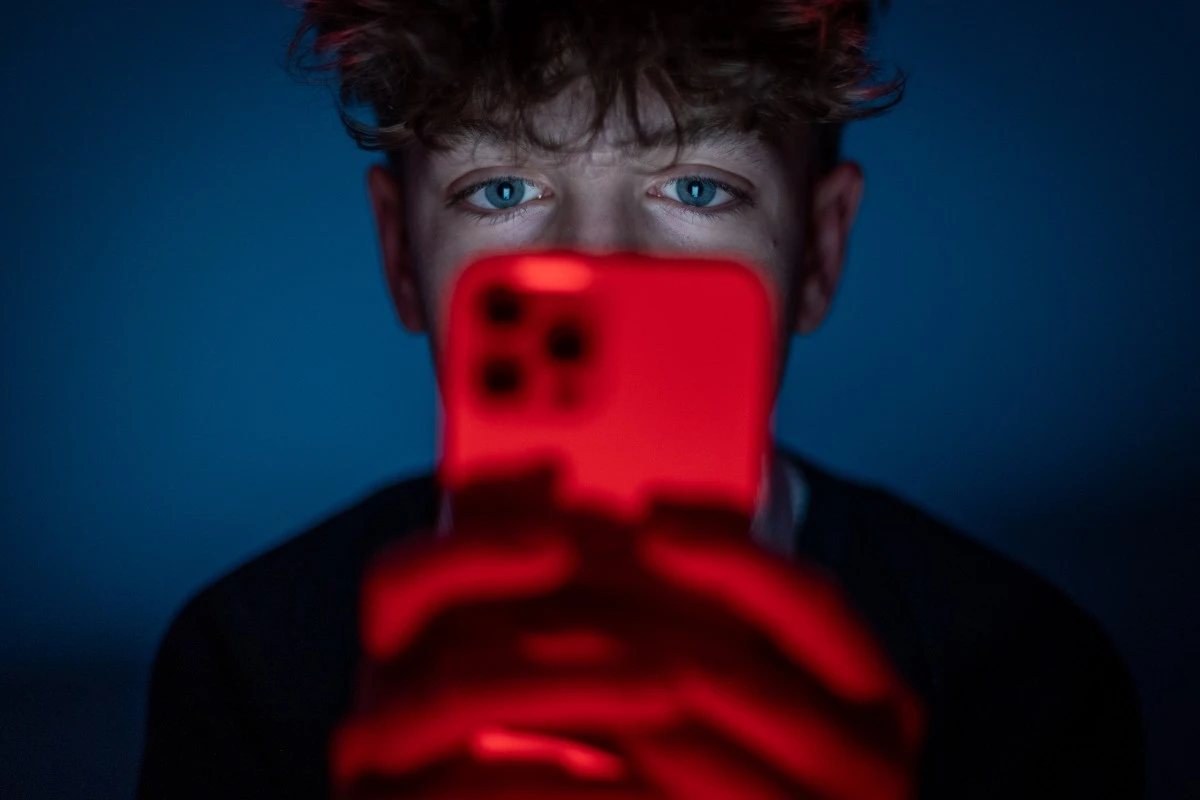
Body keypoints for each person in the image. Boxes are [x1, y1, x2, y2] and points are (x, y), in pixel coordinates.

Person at [135, 0, 1145, 798]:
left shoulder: (1023, 674)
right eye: (502, 189)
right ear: (401, 255)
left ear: (819, 256)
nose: (598, 262)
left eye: (700, 188)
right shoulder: (248, 663)